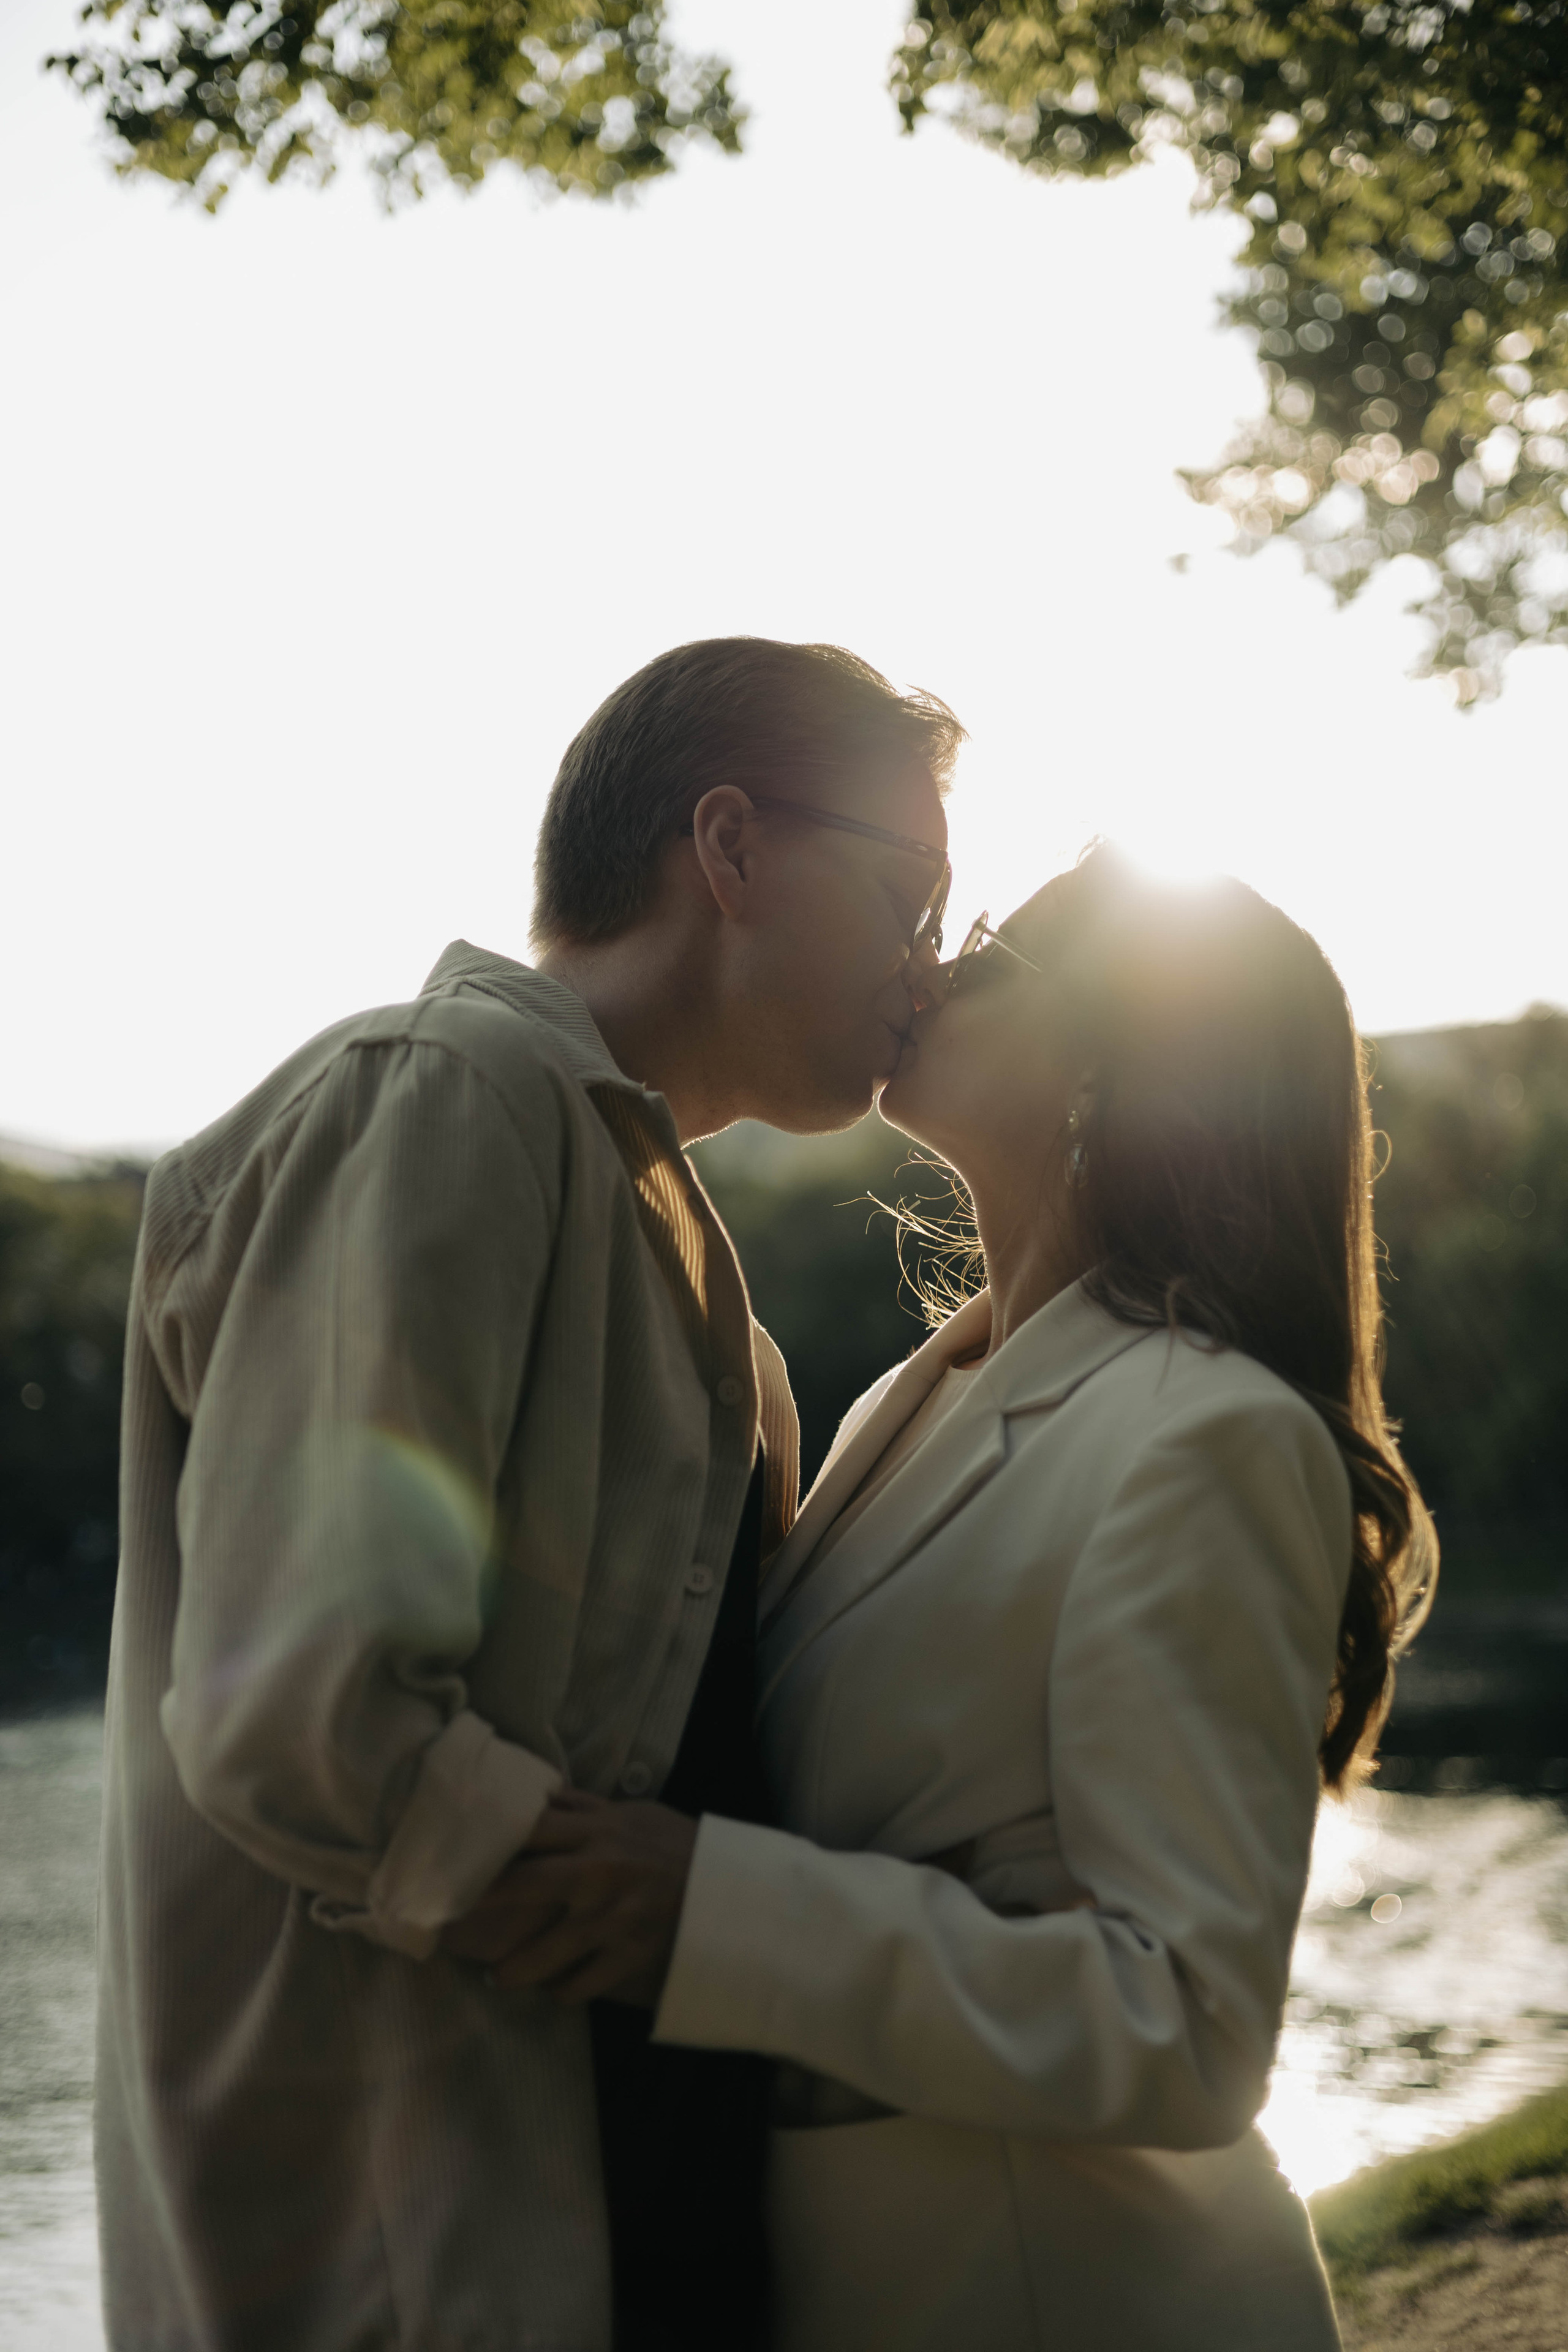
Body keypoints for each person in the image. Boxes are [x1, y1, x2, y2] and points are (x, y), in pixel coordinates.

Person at [95, 636, 964, 2352]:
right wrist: (668, 1911)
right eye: (905, 898)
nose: (925, 976)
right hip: (424, 2249)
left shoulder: (692, 1273)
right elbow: (305, 1710)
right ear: (728, 849)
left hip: (621, 2212)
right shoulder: (446, 1094)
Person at [478, 844, 1434, 2350]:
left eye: (987, 944)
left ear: (1105, 1064)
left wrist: (703, 1909)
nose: (926, 965)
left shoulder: (1208, 1435)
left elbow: (1181, 2025)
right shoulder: (894, 1409)